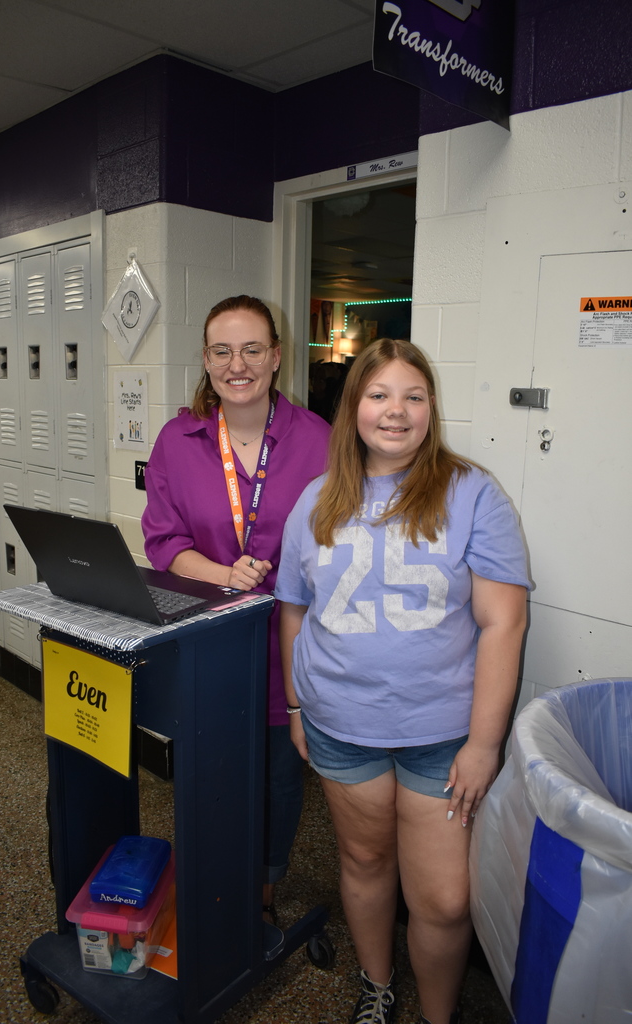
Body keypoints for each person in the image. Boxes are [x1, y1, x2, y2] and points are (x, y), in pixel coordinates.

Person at [276, 338, 530, 1024]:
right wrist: (297, 705)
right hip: (339, 722)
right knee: (363, 862)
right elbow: (294, 610)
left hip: (440, 735)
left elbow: (502, 624)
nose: (396, 411)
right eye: (379, 394)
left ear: (431, 408)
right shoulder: (315, 500)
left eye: (413, 396)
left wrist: (484, 744)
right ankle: (377, 985)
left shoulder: (473, 494)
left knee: (444, 897)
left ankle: (437, 1016)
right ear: (353, 406)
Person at [141, 295, 331, 924]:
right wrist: (225, 575)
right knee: (210, 769)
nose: (237, 364)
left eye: (252, 349)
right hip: (209, 644)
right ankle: (214, 875)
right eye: (222, 351)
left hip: (290, 645)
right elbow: (164, 541)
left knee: (279, 778)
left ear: (277, 357)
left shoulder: (318, 441)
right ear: (205, 359)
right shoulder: (179, 439)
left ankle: (265, 893)